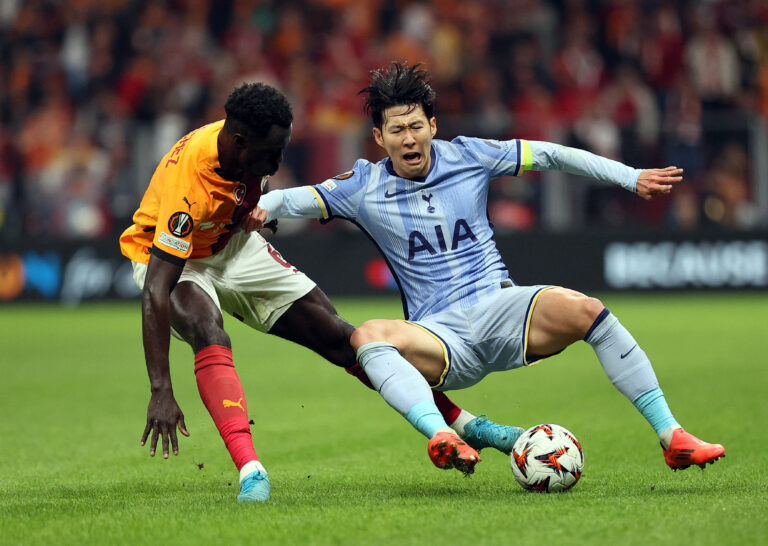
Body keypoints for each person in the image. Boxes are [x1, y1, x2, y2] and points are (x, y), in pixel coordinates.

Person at [250, 62, 725, 476]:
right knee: (367, 336)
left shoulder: (470, 155)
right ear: (379, 137)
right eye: (396, 130)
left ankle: (672, 437)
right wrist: (261, 207)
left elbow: (553, 153)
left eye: (416, 126)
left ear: (433, 125)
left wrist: (630, 177)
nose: (409, 138)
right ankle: (443, 437)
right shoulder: (361, 185)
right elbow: (293, 199)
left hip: (501, 308)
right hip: (438, 338)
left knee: (590, 311)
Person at [118, 82, 523, 502]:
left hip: (233, 244)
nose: (277, 164)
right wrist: (161, 390)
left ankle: (465, 426)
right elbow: (156, 292)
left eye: (284, 149)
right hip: (169, 259)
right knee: (207, 328)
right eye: (272, 153)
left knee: (344, 339)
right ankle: (251, 471)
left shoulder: (247, 140)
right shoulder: (189, 187)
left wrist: (259, 211)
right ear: (240, 143)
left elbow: (247, 189)